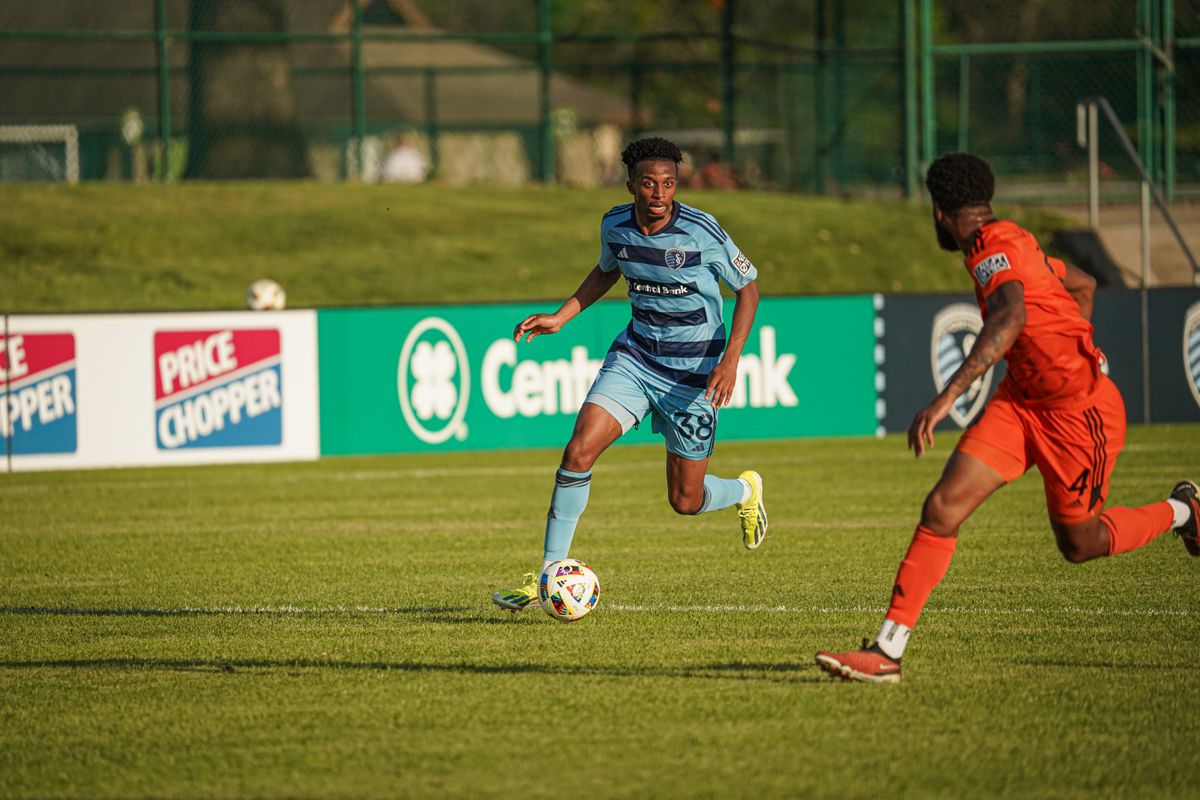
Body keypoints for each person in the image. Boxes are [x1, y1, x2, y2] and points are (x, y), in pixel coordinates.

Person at [814, 152, 1199, 683]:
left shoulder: (989, 249)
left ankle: (1184, 513)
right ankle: (887, 651)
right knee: (942, 507)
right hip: (1021, 402)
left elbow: (1010, 316)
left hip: (1077, 415)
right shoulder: (1015, 239)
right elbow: (1083, 285)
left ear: (939, 211)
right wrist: (1069, 344)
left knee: (1080, 543)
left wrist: (947, 397)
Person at [492, 137, 768, 612]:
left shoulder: (701, 230)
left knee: (685, 500)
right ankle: (548, 575)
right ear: (631, 185)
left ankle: (745, 490)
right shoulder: (615, 224)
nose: (660, 194)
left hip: (694, 375)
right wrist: (561, 317)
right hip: (636, 359)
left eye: (669, 184)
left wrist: (731, 360)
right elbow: (607, 270)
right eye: (649, 184)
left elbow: (749, 289)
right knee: (578, 451)